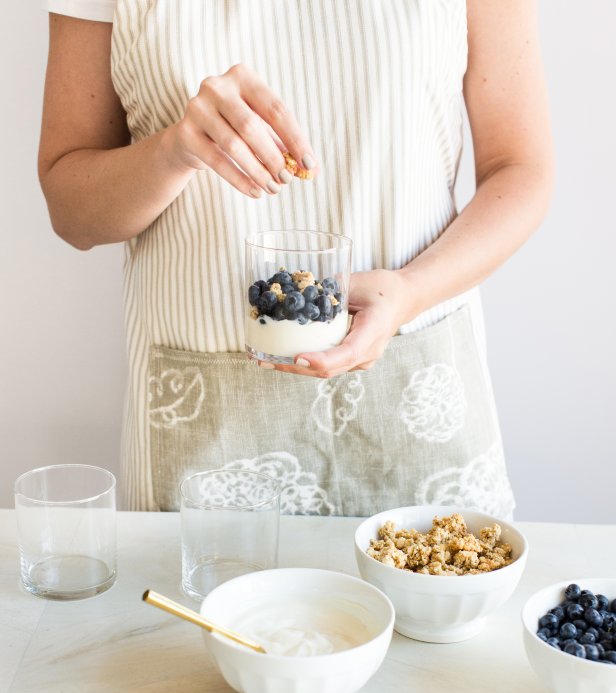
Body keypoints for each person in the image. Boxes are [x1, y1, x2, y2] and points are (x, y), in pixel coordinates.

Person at [38, 0, 552, 516]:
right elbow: (71, 211)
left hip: (414, 392)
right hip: (206, 431)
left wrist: (410, 292)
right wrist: (176, 151)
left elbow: (520, 167)